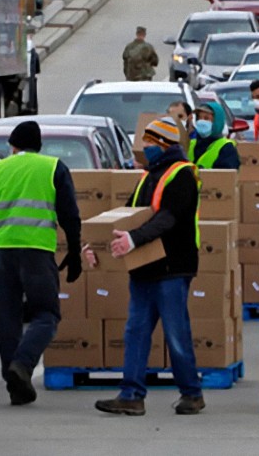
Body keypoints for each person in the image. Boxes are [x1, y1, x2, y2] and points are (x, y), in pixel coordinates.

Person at [89, 117, 204, 416]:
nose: (145, 146)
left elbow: (168, 218)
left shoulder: (181, 176)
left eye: (150, 142)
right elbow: (126, 215)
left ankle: (191, 393)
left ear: (164, 144)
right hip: (145, 267)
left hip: (172, 267)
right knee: (136, 331)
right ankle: (131, 395)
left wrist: (132, 240)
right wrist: (98, 245)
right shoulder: (148, 176)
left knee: (176, 332)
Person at [0, 121, 83, 406]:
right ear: (39, 146)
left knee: (7, 320)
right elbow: (70, 214)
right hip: (37, 251)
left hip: (3, 252)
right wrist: (75, 251)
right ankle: (22, 363)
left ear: (13, 145)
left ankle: (15, 385)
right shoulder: (53, 167)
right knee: (46, 315)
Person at [189, 102, 240, 170]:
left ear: (217, 122)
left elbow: (227, 176)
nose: (201, 121)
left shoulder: (226, 148)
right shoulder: (191, 144)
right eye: (199, 118)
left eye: (206, 118)